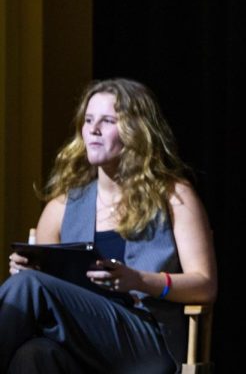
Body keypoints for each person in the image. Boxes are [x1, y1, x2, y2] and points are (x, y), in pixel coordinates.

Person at [2, 78, 217, 374]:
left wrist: (140, 280)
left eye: (107, 121)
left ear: (136, 131)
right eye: (88, 120)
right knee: (33, 354)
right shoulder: (61, 208)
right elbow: (46, 283)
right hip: (81, 344)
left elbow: (205, 285)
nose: (93, 129)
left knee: (30, 287)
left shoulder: (173, 196)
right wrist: (30, 269)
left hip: (146, 339)